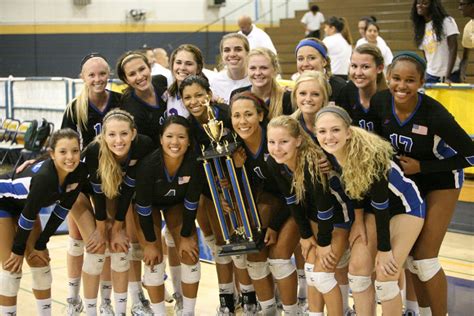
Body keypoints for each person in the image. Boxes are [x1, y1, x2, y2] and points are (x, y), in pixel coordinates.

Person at [369, 51, 474, 315]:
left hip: (442, 180)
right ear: (388, 76)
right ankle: (420, 311)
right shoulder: (380, 102)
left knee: (425, 259)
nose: (401, 86)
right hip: (408, 184)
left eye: (410, 80)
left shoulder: (433, 112)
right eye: (396, 78)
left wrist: (423, 167)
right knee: (411, 257)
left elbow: (470, 154)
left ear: (421, 82)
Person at [313, 105, 425, 316]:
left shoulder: (371, 156)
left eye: (335, 130)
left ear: (348, 131)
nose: (329, 136)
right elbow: (356, 191)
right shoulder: (330, 155)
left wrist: (384, 249)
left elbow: (382, 206)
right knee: (357, 272)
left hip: (405, 207)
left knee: (386, 278)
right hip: (373, 210)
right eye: (322, 131)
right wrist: (357, 221)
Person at [266, 115, 353, 316]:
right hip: (316, 217)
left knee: (323, 276)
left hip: (339, 216)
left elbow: (325, 208)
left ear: (298, 141)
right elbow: (291, 201)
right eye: (272, 142)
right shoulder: (274, 162)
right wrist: (305, 236)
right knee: (312, 273)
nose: (277, 148)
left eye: (284, 142)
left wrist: (323, 243)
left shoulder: (312, 163)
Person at [0, 128, 88, 316]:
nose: (70, 157)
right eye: (63, 152)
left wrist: (41, 244)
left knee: (41, 262)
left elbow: (61, 211)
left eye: (75, 151)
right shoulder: (45, 179)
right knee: (11, 269)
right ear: (52, 154)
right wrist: (17, 250)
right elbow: (28, 216)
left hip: (25, 208)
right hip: (3, 201)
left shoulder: (79, 171)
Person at [61, 52, 121, 315]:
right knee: (82, 241)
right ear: (82, 77)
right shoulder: (75, 108)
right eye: (91, 74)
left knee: (105, 239)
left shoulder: (120, 101)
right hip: (81, 185)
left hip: (110, 182)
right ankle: (74, 299)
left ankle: (105, 301)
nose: (98, 79)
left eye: (102, 73)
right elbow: (64, 146)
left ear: (109, 74)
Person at [230, 92, 300, 315]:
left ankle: (292, 311)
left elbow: (292, 191)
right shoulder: (235, 148)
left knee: (279, 258)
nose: (242, 121)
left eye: (249, 114)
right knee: (254, 252)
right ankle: (268, 309)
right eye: (237, 115)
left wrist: (274, 226)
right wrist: (238, 171)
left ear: (261, 116)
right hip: (272, 202)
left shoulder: (276, 141)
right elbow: (253, 191)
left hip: (297, 203)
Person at [80, 108, 154, 316]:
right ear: (104, 135)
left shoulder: (144, 145)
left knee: (122, 246)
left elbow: (130, 188)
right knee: (96, 250)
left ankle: (126, 304)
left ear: (133, 133)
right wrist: (103, 227)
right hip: (81, 194)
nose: (118, 140)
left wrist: (118, 226)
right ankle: (92, 306)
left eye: (123, 134)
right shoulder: (95, 151)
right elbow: (96, 193)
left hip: (116, 192)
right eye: (111, 134)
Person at [134, 115, 203, 316]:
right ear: (161, 139)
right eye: (170, 136)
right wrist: (148, 243)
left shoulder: (194, 163)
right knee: (153, 257)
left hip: (176, 205)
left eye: (181, 137)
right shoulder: (148, 166)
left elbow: (191, 204)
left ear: (189, 140)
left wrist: (185, 236)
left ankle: (188, 311)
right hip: (148, 209)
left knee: (190, 252)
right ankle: (159, 312)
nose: (175, 142)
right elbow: (144, 209)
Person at [117, 51, 168, 147]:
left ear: (149, 67)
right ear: (126, 79)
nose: (140, 77)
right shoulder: (131, 109)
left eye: (142, 69)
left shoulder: (162, 81)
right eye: (132, 74)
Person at [230, 47, 292, 121]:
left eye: (263, 68)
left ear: (275, 70)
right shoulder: (238, 94)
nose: (258, 73)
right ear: (247, 70)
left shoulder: (288, 98)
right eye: (253, 68)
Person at [337, 43, 387, 132]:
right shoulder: (346, 92)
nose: (358, 73)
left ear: (379, 68)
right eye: (354, 66)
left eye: (365, 67)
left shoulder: (388, 99)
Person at [411, 0, 461, 83]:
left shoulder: (447, 21)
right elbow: (425, 53)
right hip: (431, 75)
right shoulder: (420, 27)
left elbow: (453, 48)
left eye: (425, 3)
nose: (420, 5)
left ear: (433, 6)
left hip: (451, 74)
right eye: (418, 3)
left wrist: (447, 76)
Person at [293, 38, 347, 102]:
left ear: (324, 62)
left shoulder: (340, 88)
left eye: (312, 58)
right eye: (300, 59)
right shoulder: (292, 88)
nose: (305, 64)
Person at [209, 33, 251, 104]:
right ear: (222, 55)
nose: (232, 54)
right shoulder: (215, 82)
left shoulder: (255, 81)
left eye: (238, 49)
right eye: (227, 50)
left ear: (247, 53)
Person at [166, 44, 207, 118]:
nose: (182, 68)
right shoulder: (166, 91)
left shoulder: (207, 96)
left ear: (198, 68)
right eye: (178, 62)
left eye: (189, 64)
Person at [291, 70, 331, 141]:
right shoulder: (288, 126)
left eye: (315, 94)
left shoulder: (336, 125)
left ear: (324, 98)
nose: (308, 99)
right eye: (303, 93)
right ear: (295, 96)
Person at [459, 0, 474, 82]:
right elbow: (465, 57)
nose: (459, 8)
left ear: (472, 5)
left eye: (462, 5)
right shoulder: (468, 27)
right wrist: (462, 73)